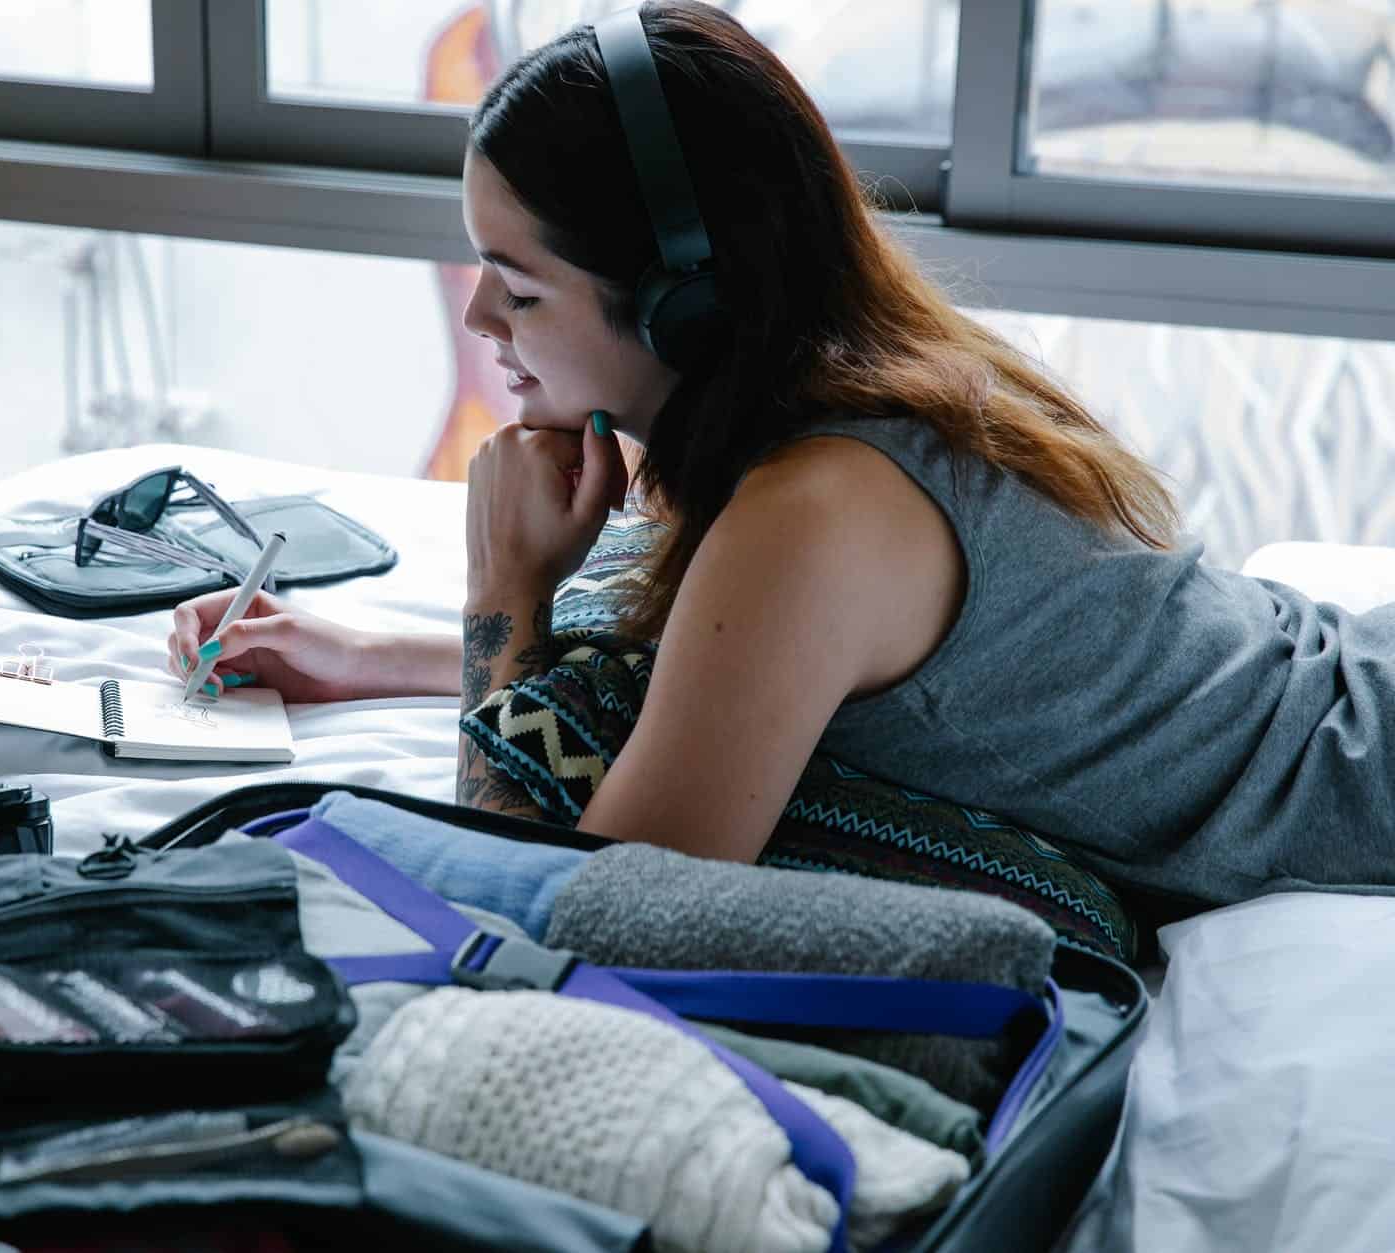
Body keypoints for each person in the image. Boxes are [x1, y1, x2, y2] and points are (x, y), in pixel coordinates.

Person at [167, 1, 1395, 910]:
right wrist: (368, 654)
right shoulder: (845, 394)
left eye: (519, 288)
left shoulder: (818, 508)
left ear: (679, 308)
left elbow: (593, 906)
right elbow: (729, 668)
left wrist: (508, 595)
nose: (481, 323)